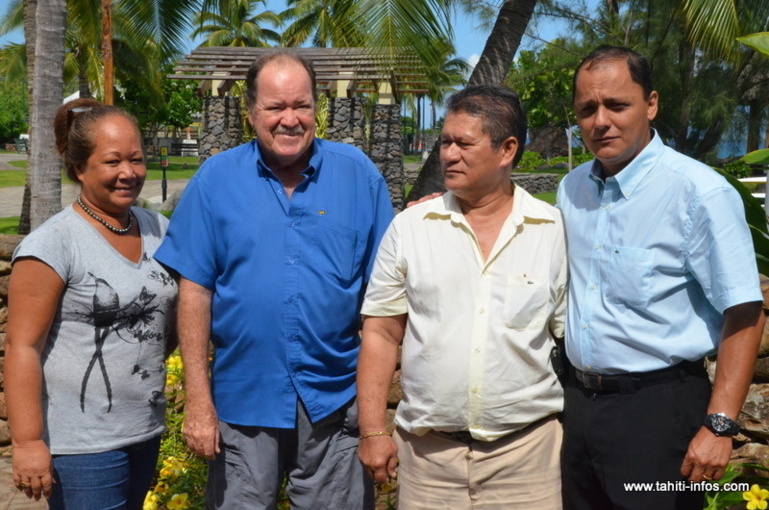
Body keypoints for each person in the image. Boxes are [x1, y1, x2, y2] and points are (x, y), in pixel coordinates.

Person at [153, 50, 394, 508]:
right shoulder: (216, 179)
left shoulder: (358, 175)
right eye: (275, 107)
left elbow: (384, 294)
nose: (290, 119)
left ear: (317, 108)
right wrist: (198, 403)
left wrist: (374, 422)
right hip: (244, 400)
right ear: (251, 113)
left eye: (301, 105)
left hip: (334, 402)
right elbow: (195, 291)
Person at [557, 45, 765, 510]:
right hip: (579, 408)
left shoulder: (699, 193)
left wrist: (719, 425)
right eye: (587, 109)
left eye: (617, 105)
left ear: (650, 104)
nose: (600, 121)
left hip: (659, 414)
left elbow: (746, 313)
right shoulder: (571, 190)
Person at [357, 84, 567, 509]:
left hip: (528, 460)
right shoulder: (411, 228)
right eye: (445, 142)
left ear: (507, 150)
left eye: (463, 144)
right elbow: (380, 333)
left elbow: (568, 338)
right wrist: (373, 430)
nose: (448, 155)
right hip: (428, 462)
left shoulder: (552, 231)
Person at [5, 98, 177, 507]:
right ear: (79, 168)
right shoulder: (53, 244)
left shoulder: (158, 228)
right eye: (112, 161)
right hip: (83, 447)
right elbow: (21, 347)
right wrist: (27, 442)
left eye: (136, 159)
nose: (128, 172)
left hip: (144, 430)